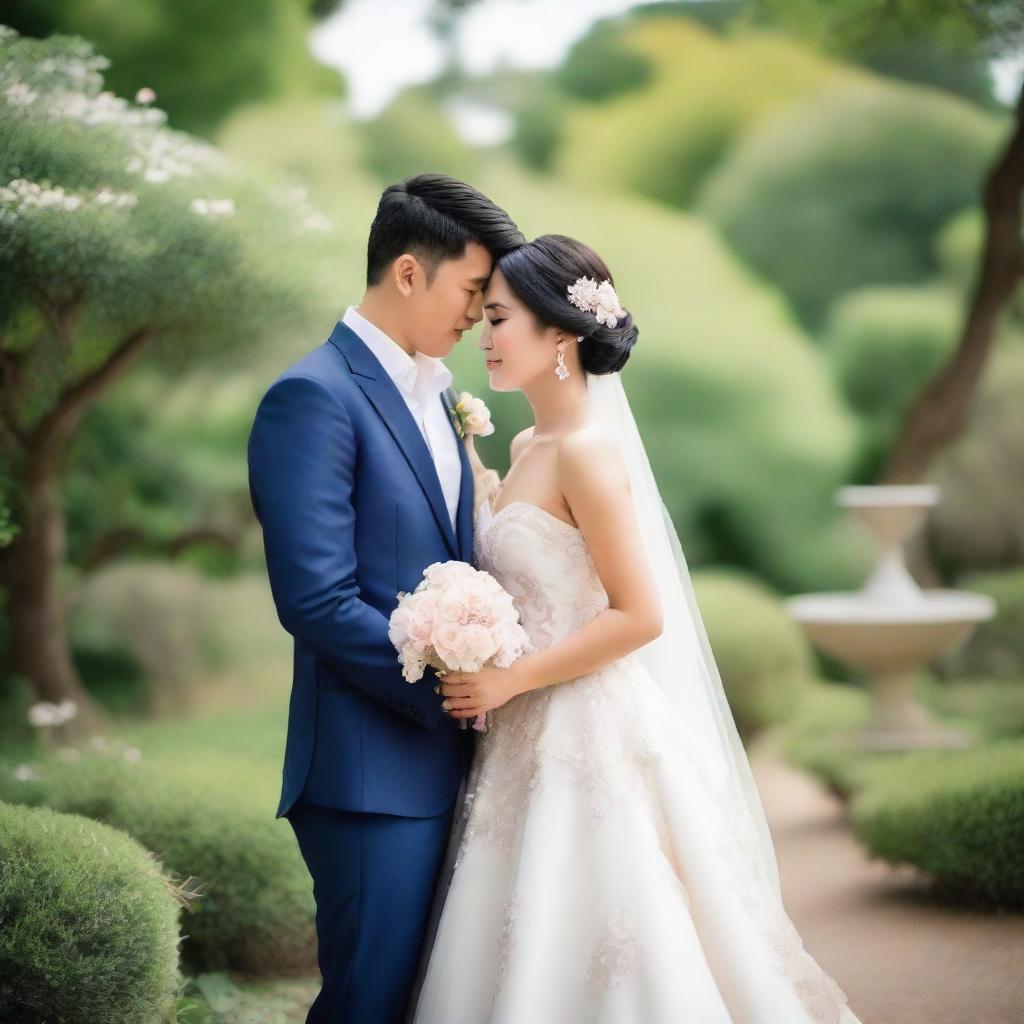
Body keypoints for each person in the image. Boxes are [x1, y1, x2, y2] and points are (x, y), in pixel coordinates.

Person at [412, 234, 865, 1024]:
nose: (484, 337)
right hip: (518, 732)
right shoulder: (525, 445)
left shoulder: (588, 451)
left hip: (583, 726)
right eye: (484, 319)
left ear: (560, 334)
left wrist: (511, 676)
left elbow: (640, 615)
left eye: (500, 319)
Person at [246, 172, 523, 1024]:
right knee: (368, 1003)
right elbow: (317, 599)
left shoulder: (440, 395)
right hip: (371, 773)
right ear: (409, 273)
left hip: (451, 764)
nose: (478, 314)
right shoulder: (313, 398)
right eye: (473, 290)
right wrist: (446, 696)